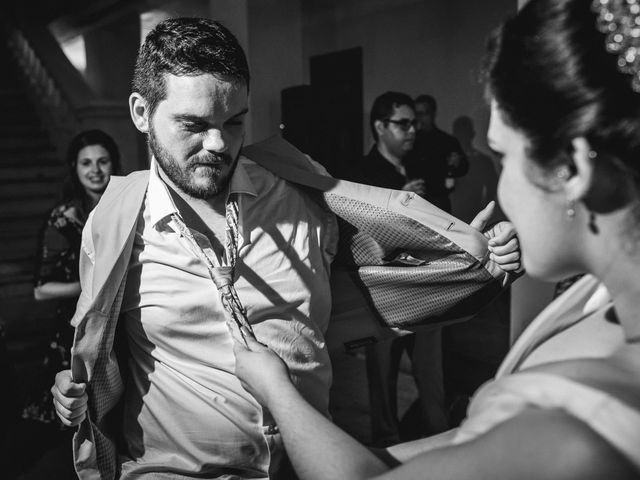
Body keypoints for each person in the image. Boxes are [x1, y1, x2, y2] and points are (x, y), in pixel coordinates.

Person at [51, 18, 521, 480]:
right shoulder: (113, 226)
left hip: (308, 464)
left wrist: (473, 257)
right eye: (193, 124)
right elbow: (103, 349)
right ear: (140, 112)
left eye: (234, 122)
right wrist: (75, 393)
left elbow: (380, 267)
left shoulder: (297, 193)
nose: (218, 144)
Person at [232, 0, 640, 477]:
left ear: (573, 170)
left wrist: (278, 391)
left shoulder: (578, 436)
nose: (502, 184)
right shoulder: (600, 301)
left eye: (504, 157)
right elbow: (472, 443)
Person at [20, 129, 119, 478]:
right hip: (74, 328)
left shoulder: (121, 207)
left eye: (103, 161)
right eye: (86, 163)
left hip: (117, 323)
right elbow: (40, 289)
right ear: (74, 169)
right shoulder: (64, 217)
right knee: (71, 423)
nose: (95, 170)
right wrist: (90, 284)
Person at [358, 92, 448, 445]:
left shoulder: (422, 160)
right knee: (382, 379)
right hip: (385, 294)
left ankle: (440, 442)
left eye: (414, 122)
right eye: (403, 123)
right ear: (380, 127)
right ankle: (386, 450)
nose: (413, 129)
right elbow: (361, 238)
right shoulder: (360, 173)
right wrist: (400, 197)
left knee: (433, 376)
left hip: (427, 286)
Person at [405, 94, 468, 212]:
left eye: (425, 113)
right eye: (418, 114)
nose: (421, 118)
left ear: (433, 113)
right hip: (414, 200)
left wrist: (457, 163)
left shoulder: (446, 141)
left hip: (438, 200)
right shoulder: (410, 141)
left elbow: (463, 168)